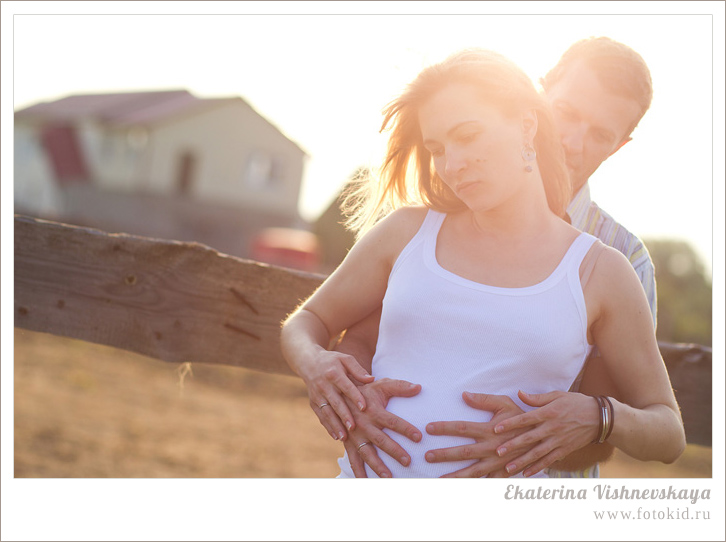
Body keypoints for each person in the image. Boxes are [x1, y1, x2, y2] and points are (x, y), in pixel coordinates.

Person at [280, 47, 685, 478]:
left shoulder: (610, 266)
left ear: (526, 123)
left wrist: (597, 416)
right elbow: (322, 326)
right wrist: (324, 372)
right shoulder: (408, 232)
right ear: (541, 100)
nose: (452, 165)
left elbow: (662, 431)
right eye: (437, 147)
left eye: (469, 136)